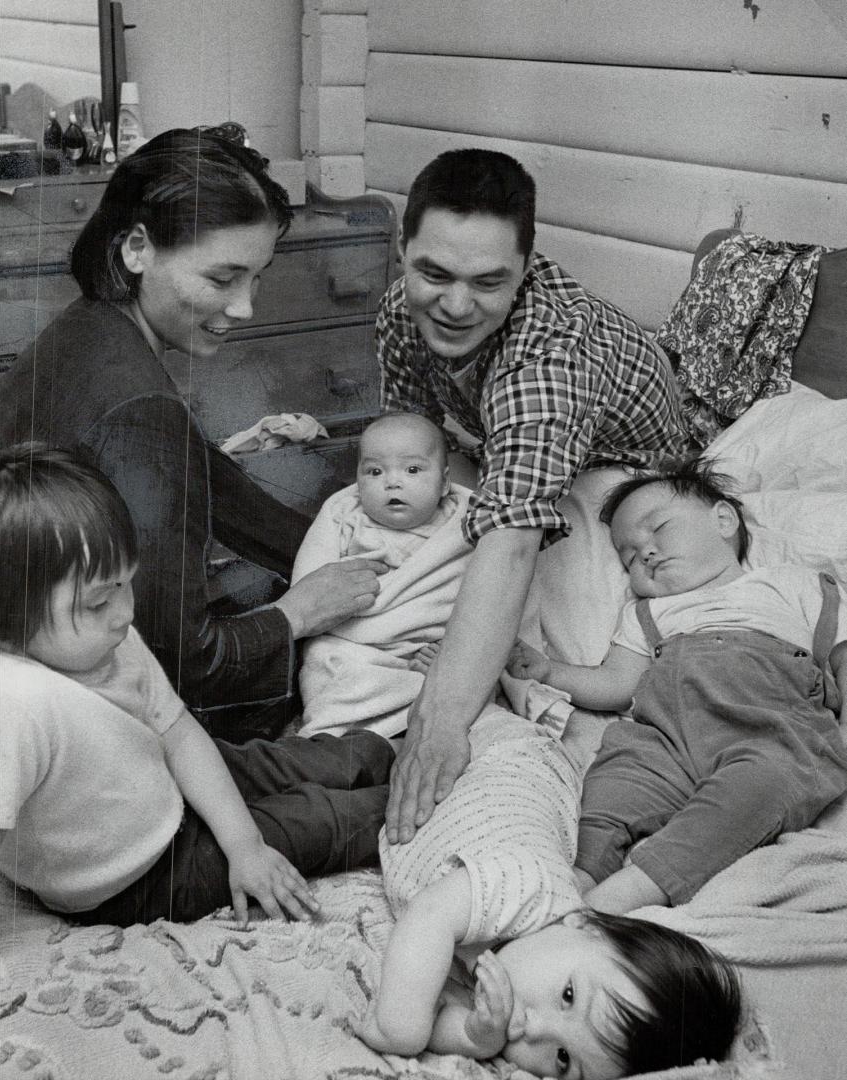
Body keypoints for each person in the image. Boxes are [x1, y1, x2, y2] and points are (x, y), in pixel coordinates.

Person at [0, 128, 386, 740]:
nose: (245, 307)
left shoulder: (85, 330)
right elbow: (182, 665)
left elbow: (206, 475)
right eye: (222, 278)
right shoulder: (142, 410)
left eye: (256, 278)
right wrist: (297, 612)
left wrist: (335, 540)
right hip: (89, 712)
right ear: (136, 249)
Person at [375, 148, 689, 842]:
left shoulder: (546, 363)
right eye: (434, 274)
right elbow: (412, 435)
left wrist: (438, 724)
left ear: (525, 269)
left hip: (620, 480)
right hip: (494, 451)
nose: (456, 306)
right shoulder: (401, 310)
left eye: (489, 283)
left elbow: (515, 537)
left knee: (509, 583)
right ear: (402, 251)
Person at [0, 444, 394, 927]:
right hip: (143, 875)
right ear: (9, 624)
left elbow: (179, 732)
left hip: (160, 778)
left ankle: (387, 756)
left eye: (126, 584)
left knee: (325, 758)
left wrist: (240, 838)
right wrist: (248, 852)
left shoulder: (104, 638)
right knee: (326, 822)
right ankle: (417, 799)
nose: (125, 613)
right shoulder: (15, 702)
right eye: (99, 602)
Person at [508, 458, 847, 914]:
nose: (644, 552)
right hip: (666, 735)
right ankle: (584, 870)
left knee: (765, 786)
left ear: (724, 520)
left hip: (770, 726)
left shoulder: (789, 584)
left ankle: (641, 884)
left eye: (658, 528)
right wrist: (549, 671)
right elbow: (616, 685)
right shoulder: (647, 613)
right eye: (629, 555)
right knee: (617, 774)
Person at [351, 706, 742, 1076]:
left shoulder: (513, 985)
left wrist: (474, 1037)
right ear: (582, 923)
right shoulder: (527, 887)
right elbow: (431, 913)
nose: (533, 1029)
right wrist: (400, 1028)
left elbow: (436, 1007)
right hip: (501, 752)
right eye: (569, 996)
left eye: (562, 1060)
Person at [291, 412, 473, 737]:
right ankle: (339, 737)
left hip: (426, 650)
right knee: (328, 660)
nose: (393, 481)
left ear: (444, 482)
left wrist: (454, 648)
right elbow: (308, 589)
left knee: (459, 683)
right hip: (353, 645)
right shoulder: (345, 516)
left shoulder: (462, 526)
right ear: (358, 481)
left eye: (413, 470)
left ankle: (398, 738)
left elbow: (483, 598)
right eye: (375, 471)